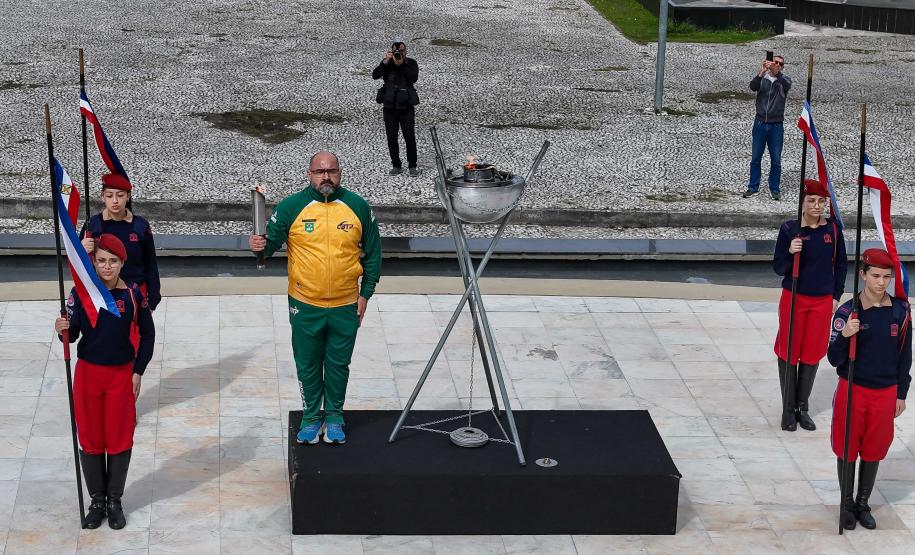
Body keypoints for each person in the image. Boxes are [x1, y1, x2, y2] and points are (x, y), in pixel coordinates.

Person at [249, 151, 382, 445]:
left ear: (340, 173)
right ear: (309, 174)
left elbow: (373, 254)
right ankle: (311, 417)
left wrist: (366, 293)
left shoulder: (357, 206)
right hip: (305, 303)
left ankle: (334, 417)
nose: (326, 177)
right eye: (320, 172)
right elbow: (269, 246)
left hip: (346, 303)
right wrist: (259, 244)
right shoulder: (291, 207)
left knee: (337, 364)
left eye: (331, 171)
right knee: (308, 364)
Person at [54, 234, 155, 530]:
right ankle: (96, 500)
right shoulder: (81, 294)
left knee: (119, 437)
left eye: (112, 261)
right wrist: (62, 327)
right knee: (91, 437)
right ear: (93, 262)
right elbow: (71, 335)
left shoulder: (134, 295)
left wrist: (138, 371)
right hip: (88, 375)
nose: (107, 266)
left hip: (120, 376)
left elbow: (147, 335)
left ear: (122, 263)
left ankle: (115, 500)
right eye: (101, 260)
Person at [828, 248, 911, 530]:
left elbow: (905, 356)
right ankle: (846, 504)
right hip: (853, 388)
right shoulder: (847, 312)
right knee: (847, 446)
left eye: (886, 277)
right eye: (875, 275)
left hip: (885, 391)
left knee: (875, 448)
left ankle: (863, 503)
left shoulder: (899, 312)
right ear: (862, 275)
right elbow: (834, 358)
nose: (881, 282)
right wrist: (845, 336)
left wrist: (901, 393)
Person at [772, 179, 846, 431]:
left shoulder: (833, 231)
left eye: (821, 201)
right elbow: (778, 268)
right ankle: (788, 408)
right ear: (802, 203)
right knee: (789, 348)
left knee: (813, 350)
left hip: (822, 300)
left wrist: (836, 295)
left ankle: (802, 407)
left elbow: (841, 265)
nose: (816, 206)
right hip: (794, 298)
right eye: (811, 201)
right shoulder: (790, 230)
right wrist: (791, 251)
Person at [80, 173, 161, 311]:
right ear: (102, 197)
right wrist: (81, 250)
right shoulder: (92, 225)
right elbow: (78, 265)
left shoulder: (141, 226)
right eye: (110, 195)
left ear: (128, 196)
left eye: (120, 195)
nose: (115, 201)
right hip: (102, 295)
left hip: (135, 294)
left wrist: (152, 299)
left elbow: (151, 263)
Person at [743, 54, 791, 201]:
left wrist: (777, 73)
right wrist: (761, 73)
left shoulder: (784, 81)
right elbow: (752, 87)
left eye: (780, 64)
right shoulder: (763, 79)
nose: (776, 64)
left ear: (782, 67)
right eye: (774, 62)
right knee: (756, 158)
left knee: (776, 159)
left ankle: (774, 188)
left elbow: (787, 85)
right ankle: (753, 187)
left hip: (776, 125)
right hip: (760, 123)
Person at [372, 37, 420, 177]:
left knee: (409, 137)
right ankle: (396, 165)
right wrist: (385, 61)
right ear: (392, 51)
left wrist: (402, 64)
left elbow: (413, 78)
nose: (399, 53)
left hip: (406, 107)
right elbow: (375, 75)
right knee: (391, 137)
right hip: (389, 106)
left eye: (402, 51)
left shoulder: (411, 63)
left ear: (406, 51)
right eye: (396, 51)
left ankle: (412, 165)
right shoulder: (388, 64)